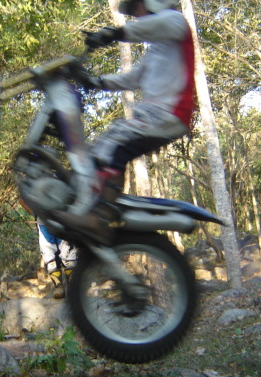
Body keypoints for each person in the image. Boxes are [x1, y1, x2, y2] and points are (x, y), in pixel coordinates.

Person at [54, 0, 195, 244]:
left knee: (114, 146)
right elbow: (132, 78)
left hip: (170, 113)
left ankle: (100, 218)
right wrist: (95, 82)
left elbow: (152, 26)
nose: (136, 16)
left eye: (136, 8)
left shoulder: (175, 21)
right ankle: (90, 210)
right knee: (100, 149)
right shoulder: (158, 50)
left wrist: (113, 33)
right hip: (156, 114)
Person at [21, 198, 77, 299]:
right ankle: (58, 287)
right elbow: (22, 199)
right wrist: (35, 213)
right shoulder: (32, 187)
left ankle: (73, 288)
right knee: (50, 258)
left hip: (63, 221)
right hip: (44, 224)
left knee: (69, 257)